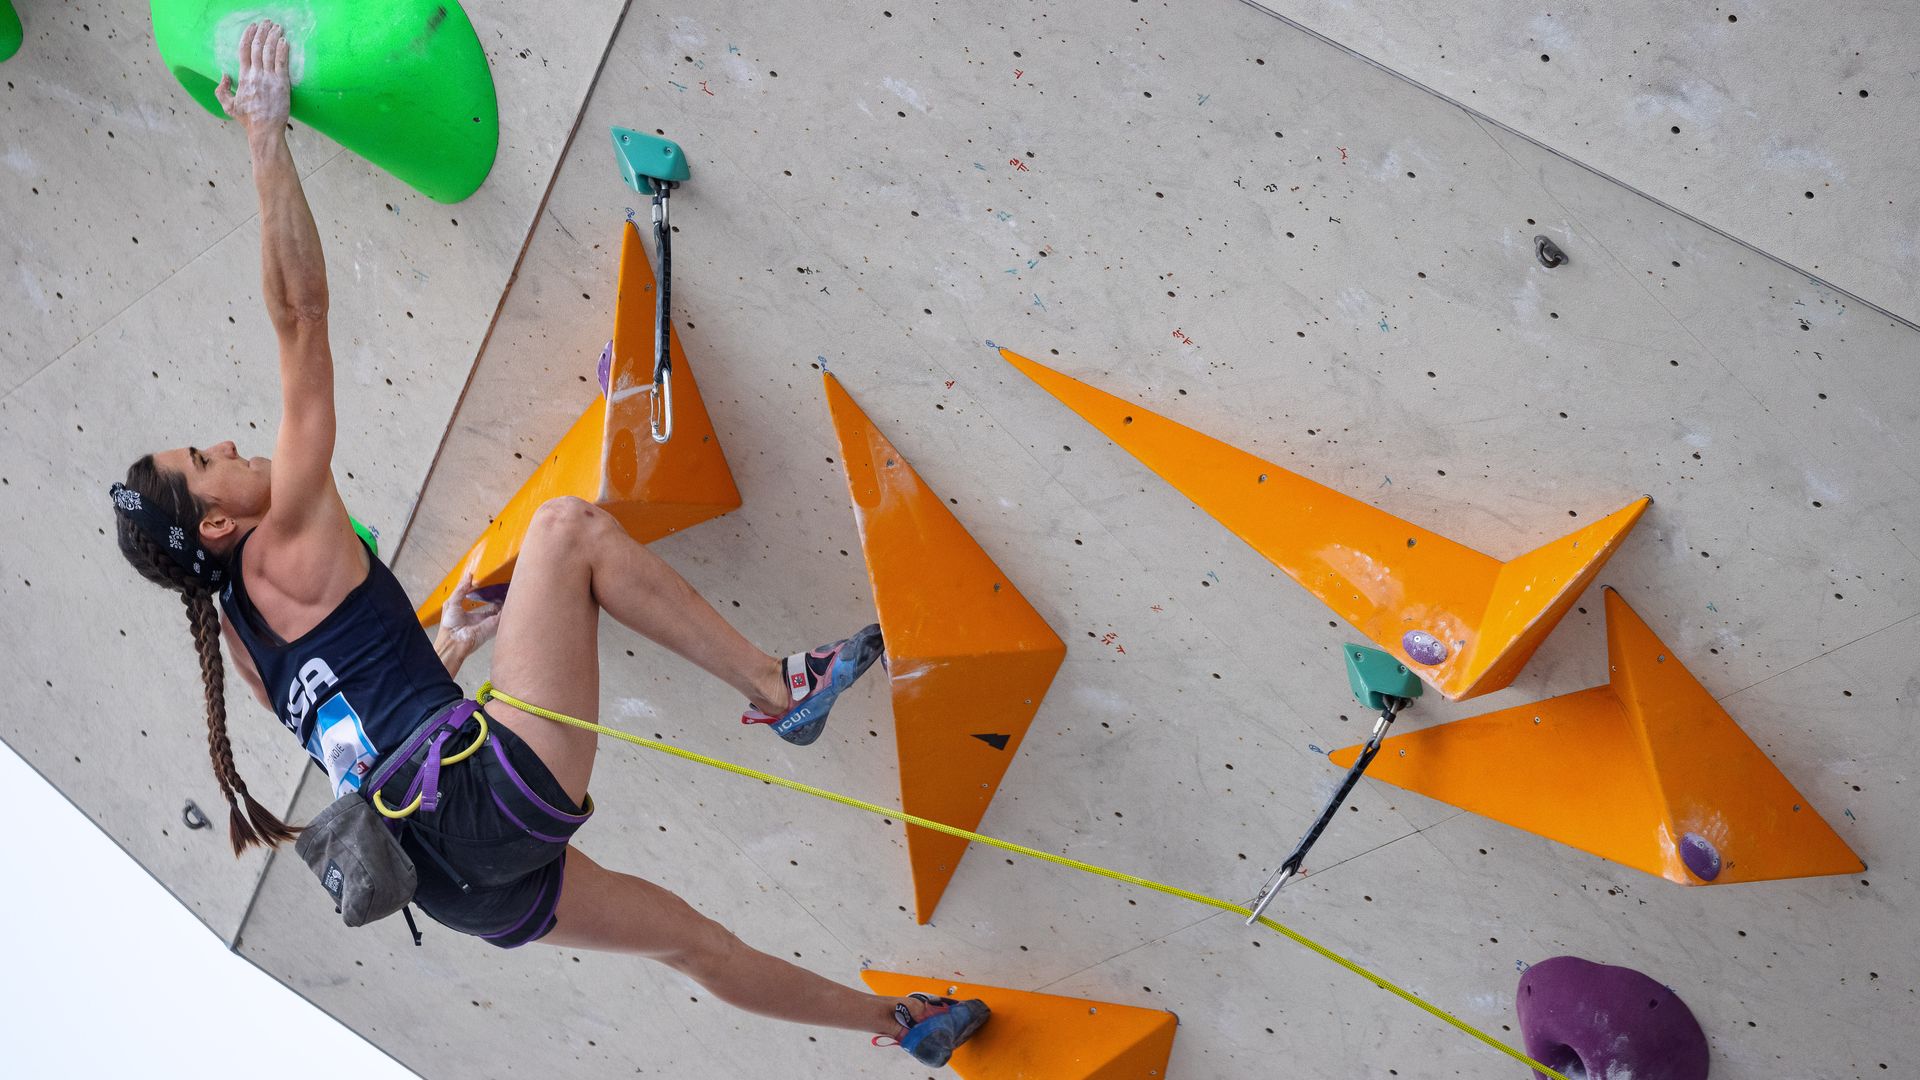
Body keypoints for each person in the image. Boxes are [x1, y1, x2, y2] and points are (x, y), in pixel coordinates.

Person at [109, 21, 986, 1068]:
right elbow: (302, 315)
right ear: (217, 523)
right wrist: (263, 134)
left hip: (455, 881)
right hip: (476, 793)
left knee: (693, 946)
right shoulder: (282, 537)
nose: (223, 443)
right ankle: (776, 684)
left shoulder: (246, 642)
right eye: (204, 461)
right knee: (565, 530)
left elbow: (368, 705)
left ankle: (908, 1027)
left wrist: (466, 642)